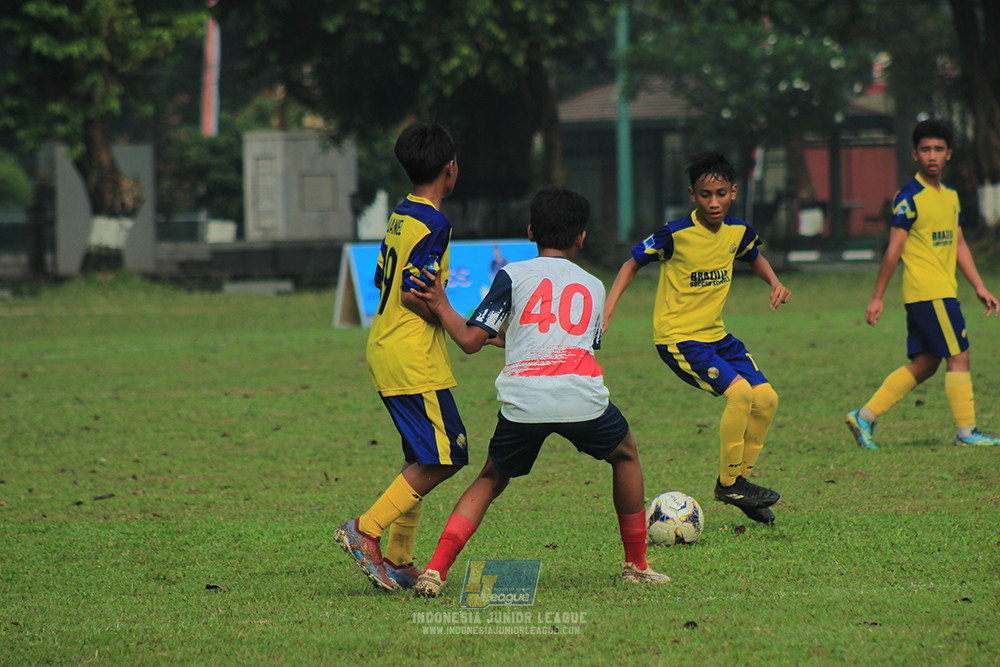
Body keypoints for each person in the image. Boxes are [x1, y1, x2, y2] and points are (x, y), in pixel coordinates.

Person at [408, 185, 671, 597]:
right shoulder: (594, 286)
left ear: (531, 230)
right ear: (581, 237)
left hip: (524, 400)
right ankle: (636, 565)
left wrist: (441, 304)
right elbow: (569, 343)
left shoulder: (512, 275)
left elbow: (472, 341)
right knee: (626, 455)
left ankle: (434, 571)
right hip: (581, 398)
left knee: (492, 477)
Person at [603, 151, 791, 525]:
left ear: (733, 192)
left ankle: (740, 485)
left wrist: (774, 281)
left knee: (766, 399)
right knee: (740, 395)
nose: (714, 202)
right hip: (679, 339)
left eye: (721, 193)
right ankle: (730, 484)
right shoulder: (675, 234)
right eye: (706, 195)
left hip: (718, 337)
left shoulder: (738, 231)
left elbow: (752, 255)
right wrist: (608, 309)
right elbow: (631, 263)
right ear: (693, 195)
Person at [334, 122, 469, 590]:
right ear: (449, 170)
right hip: (413, 355)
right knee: (449, 454)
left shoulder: (401, 215)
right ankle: (366, 529)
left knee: (420, 454)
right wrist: (456, 317)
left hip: (387, 345)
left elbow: (382, 282)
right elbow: (416, 295)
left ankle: (398, 558)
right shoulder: (435, 224)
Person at [846, 119, 999, 449]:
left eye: (939, 149)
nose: (932, 155)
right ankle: (966, 432)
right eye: (926, 149)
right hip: (930, 293)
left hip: (940, 292)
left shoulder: (951, 197)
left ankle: (864, 417)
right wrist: (877, 296)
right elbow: (894, 249)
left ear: (949, 154)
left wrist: (979, 286)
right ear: (915, 154)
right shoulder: (909, 197)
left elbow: (958, 244)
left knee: (926, 363)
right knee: (960, 355)